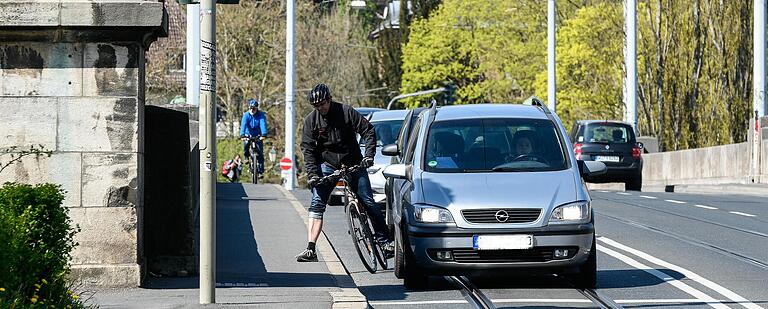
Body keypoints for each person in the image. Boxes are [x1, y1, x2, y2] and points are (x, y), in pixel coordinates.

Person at [296, 83, 393, 262]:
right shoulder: (311, 121)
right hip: (328, 165)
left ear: (329, 100)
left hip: (353, 162)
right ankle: (311, 248)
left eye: (323, 104)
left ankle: (385, 241)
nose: (320, 108)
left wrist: (369, 156)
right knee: (317, 202)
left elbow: (368, 131)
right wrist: (313, 175)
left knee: (368, 201)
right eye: (316, 106)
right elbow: (308, 149)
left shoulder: (346, 112)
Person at [240, 98, 268, 175]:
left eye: (254, 109)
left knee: (260, 152)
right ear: (249, 108)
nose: (252, 110)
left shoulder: (260, 115)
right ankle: (246, 157)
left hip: (258, 135)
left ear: (257, 109)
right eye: (251, 108)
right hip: (248, 134)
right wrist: (242, 135)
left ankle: (261, 170)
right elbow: (243, 125)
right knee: (246, 143)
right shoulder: (246, 115)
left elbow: (263, 124)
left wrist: (264, 134)